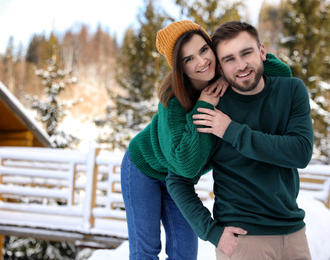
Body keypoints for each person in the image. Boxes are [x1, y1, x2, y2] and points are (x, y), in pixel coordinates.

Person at [121, 20, 293, 259]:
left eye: (203, 50)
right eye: (188, 59)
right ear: (179, 68)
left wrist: (227, 74)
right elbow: (186, 164)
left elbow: (283, 73)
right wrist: (203, 105)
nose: (201, 62)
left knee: (185, 254)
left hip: (178, 182)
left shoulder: (229, 76)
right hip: (143, 169)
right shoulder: (173, 101)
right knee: (146, 251)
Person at [166, 20, 314, 260]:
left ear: (262, 52)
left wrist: (231, 131)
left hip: (294, 232)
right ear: (220, 67)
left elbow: (301, 152)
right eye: (229, 59)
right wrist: (212, 232)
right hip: (244, 241)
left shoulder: (292, 90)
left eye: (247, 53)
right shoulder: (212, 110)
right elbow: (177, 179)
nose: (241, 65)